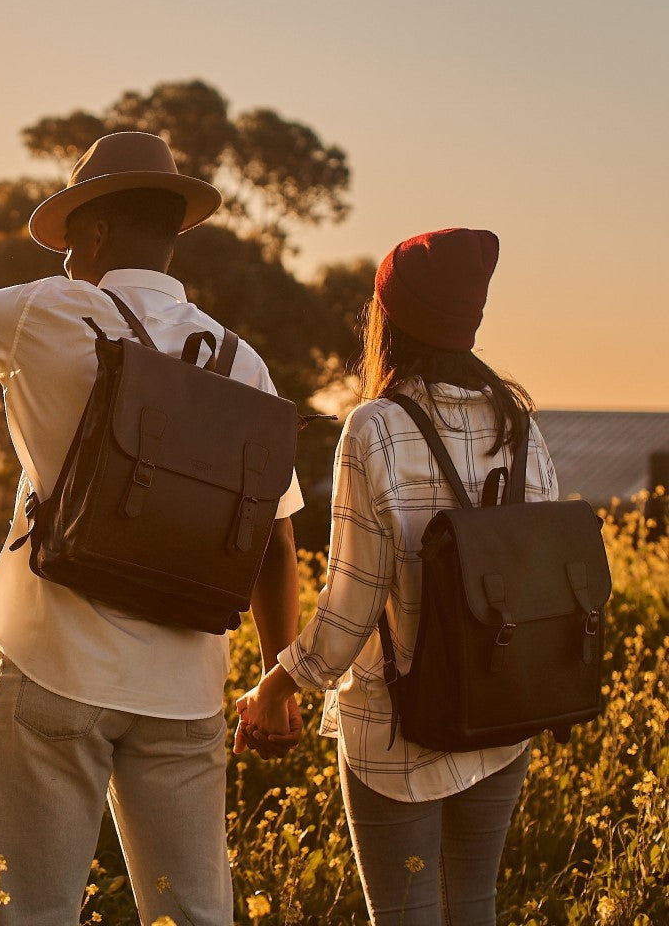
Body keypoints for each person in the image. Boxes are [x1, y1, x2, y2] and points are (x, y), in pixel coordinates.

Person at [0, 131, 304, 926]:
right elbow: (274, 544)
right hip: (185, 694)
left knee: (25, 913)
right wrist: (276, 681)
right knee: (196, 917)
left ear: (99, 232)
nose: (68, 256)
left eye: (75, 236)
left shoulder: (51, 311)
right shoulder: (242, 362)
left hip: (55, 666)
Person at [235, 228, 558, 925]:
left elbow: (351, 607)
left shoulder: (375, 427)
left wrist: (275, 685)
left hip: (395, 725)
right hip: (503, 716)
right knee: (474, 907)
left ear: (392, 316)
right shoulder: (520, 423)